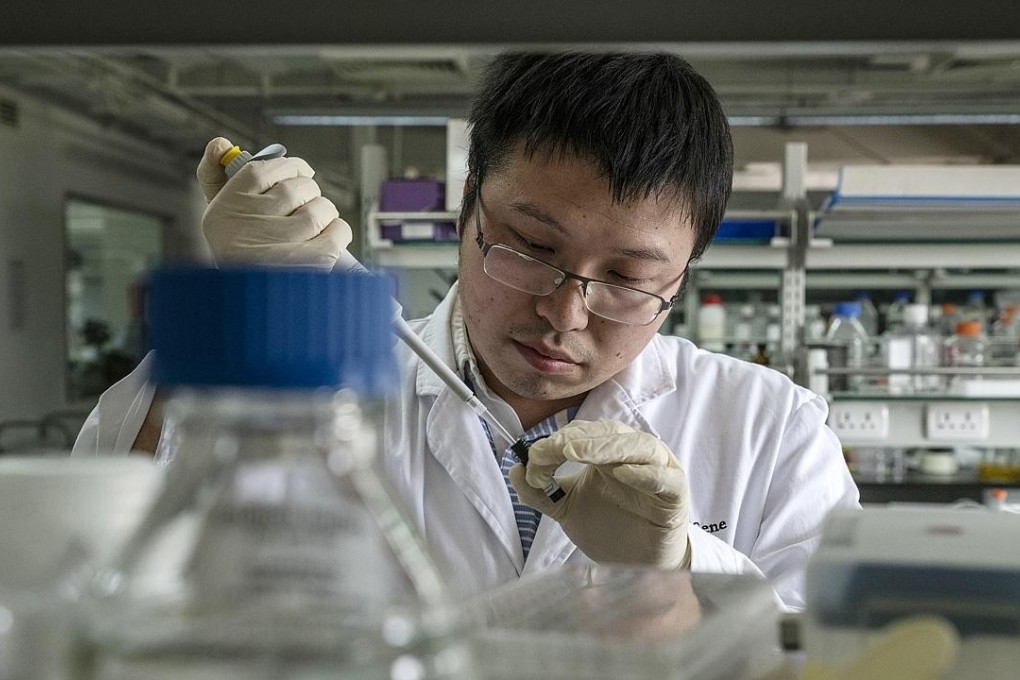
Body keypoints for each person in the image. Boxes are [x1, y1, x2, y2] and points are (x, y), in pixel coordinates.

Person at [74, 52, 858, 610]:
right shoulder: (317, 382)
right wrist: (239, 305)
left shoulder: (769, 425)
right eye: (533, 248)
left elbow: (837, 654)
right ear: (468, 211)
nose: (565, 312)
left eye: (626, 279)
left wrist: (680, 562)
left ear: (680, 279)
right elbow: (104, 546)